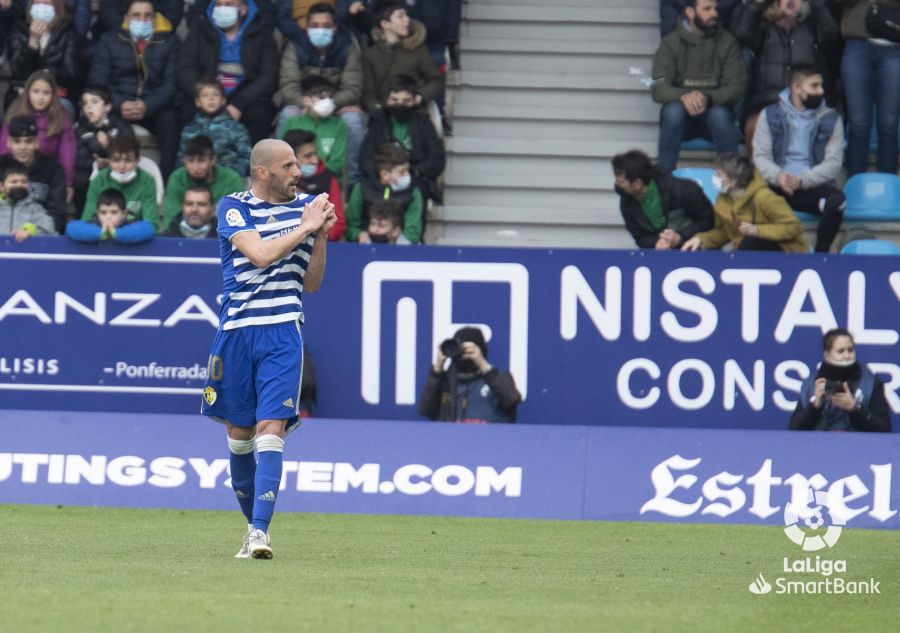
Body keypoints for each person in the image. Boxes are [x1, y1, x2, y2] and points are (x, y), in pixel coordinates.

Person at [201, 138, 337, 560]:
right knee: (239, 437)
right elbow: (259, 254)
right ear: (263, 172)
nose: (300, 171)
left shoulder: (309, 209)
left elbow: (310, 284)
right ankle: (250, 528)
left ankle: (260, 533)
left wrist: (322, 238)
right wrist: (306, 227)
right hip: (237, 332)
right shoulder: (233, 206)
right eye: (289, 165)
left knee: (270, 429)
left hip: (282, 331)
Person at [753, 64, 845, 252]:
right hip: (777, 186)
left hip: (811, 186)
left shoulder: (832, 118)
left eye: (821, 86)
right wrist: (780, 177)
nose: (821, 91)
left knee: (837, 201)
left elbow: (833, 164)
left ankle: (821, 255)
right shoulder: (770, 114)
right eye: (814, 86)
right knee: (754, 198)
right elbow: (760, 157)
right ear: (796, 88)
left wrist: (802, 180)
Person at [730, 0, 839, 154]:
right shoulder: (764, 27)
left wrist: (817, 4)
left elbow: (831, 34)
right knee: (755, 126)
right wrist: (757, 4)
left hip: (805, 104)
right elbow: (741, 33)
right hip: (766, 102)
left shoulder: (812, 26)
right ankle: (759, 177)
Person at [89, 0, 181, 179]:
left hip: (152, 106)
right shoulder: (109, 39)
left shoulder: (170, 42)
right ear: (126, 18)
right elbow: (98, 80)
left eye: (148, 16)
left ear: (155, 19)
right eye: (137, 15)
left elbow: (171, 84)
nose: (142, 20)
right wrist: (120, 103)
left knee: (170, 120)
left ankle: (166, 180)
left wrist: (147, 105)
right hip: (118, 106)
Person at [651, 0, 744, 172]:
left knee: (720, 115)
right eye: (707, 9)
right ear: (690, 12)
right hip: (682, 117)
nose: (714, 14)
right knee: (673, 111)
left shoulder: (728, 42)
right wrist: (684, 96)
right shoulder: (670, 43)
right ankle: (664, 180)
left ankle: (734, 178)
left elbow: (735, 88)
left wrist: (707, 98)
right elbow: (658, 87)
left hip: (714, 115)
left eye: (715, 8)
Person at [278, 2, 364, 183]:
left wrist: (331, 104)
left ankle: (351, 182)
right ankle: (281, 175)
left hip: (336, 106)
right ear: (306, 26)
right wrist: (306, 104)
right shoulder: (295, 46)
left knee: (354, 121)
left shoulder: (348, 46)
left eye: (326, 26)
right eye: (315, 26)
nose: (320, 30)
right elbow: (288, 87)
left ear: (334, 27)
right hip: (303, 105)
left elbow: (353, 88)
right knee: (287, 114)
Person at [177, 0, 279, 144]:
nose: (222, 8)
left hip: (246, 97)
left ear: (243, 9)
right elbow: (185, 67)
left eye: (229, 4)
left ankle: (252, 165)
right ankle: (194, 164)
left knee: (260, 115)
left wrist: (239, 103)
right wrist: (204, 95)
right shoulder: (200, 29)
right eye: (219, 4)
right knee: (186, 112)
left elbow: (269, 76)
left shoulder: (261, 31)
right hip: (207, 92)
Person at [682, 153, 808, 252]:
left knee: (750, 242)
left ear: (734, 180)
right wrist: (701, 239)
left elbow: (795, 227)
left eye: (719, 174)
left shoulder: (764, 197)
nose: (715, 177)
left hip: (784, 252)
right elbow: (724, 232)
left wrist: (757, 230)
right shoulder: (723, 198)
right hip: (744, 248)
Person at [359, 74, 445, 203]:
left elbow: (437, 158)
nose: (399, 105)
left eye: (406, 101)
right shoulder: (378, 121)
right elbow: (366, 158)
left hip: (414, 180)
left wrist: (414, 171)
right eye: (394, 100)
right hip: (381, 180)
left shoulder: (423, 123)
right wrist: (382, 175)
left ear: (414, 100)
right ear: (386, 99)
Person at [839, 0, 900, 176]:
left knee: (889, 125)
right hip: (858, 44)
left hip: (894, 45)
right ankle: (854, 188)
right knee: (858, 124)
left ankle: (889, 191)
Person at [790, 328, 892, 432]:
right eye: (841, 351)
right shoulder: (811, 384)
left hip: (858, 446)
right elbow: (794, 429)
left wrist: (855, 408)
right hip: (819, 445)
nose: (847, 355)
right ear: (827, 354)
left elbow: (884, 429)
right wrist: (815, 406)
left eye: (850, 350)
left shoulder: (871, 383)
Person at [611, 148, 714, 249]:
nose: (616, 185)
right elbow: (639, 237)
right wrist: (656, 242)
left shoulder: (684, 190)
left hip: (698, 251)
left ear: (637, 184)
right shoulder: (626, 203)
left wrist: (681, 236)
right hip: (661, 256)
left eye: (621, 182)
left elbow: (709, 221)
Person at [418, 326, 522, 423]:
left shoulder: (496, 379)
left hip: (489, 439)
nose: (464, 353)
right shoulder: (443, 382)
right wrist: (437, 370)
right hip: (449, 440)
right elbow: (425, 410)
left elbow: (512, 399)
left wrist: (483, 364)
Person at [1, 70, 76, 198]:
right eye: (36, 92)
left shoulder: (60, 115)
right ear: (28, 92)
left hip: (47, 174)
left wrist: (67, 182)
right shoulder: (16, 110)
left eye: (46, 93)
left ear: (53, 95)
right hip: (14, 173)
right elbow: (4, 146)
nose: (40, 97)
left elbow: (67, 152)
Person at [360, 1, 443, 113]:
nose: (407, 19)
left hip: (414, 112)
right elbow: (368, 92)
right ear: (385, 24)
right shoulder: (371, 55)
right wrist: (377, 109)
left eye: (407, 15)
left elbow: (435, 80)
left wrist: (421, 96)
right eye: (401, 16)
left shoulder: (418, 49)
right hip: (384, 115)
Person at [4, 0, 84, 112]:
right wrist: (33, 43)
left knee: (63, 107)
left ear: (56, 7)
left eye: (46, 4)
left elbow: (71, 73)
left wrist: (46, 73)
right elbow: (17, 71)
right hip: (23, 90)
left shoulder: (68, 31)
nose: (41, 7)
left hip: (56, 92)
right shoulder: (19, 28)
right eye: (37, 3)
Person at [163, 135, 245, 231]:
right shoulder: (177, 178)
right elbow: (170, 220)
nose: (195, 167)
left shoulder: (232, 180)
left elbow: (237, 222)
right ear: (184, 160)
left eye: (201, 160)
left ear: (213, 160)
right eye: (190, 161)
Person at [345, 143, 423, 244]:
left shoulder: (413, 193)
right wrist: (359, 234)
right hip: (365, 246)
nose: (407, 175)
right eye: (402, 172)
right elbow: (351, 225)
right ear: (385, 174)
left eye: (407, 171)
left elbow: (413, 231)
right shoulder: (361, 189)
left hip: (401, 247)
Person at [74, 86, 134, 217]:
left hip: (117, 174)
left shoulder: (121, 127)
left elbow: (130, 154)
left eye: (94, 102)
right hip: (89, 177)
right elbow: (78, 158)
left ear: (107, 107)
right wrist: (95, 164)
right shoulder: (81, 128)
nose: (89, 107)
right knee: (80, 179)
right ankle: (84, 218)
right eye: (85, 103)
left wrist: (108, 147)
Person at [3, 114, 67, 233]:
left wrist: (32, 232)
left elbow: (57, 214)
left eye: (29, 141)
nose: (23, 147)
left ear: (37, 142)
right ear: (8, 142)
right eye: (17, 141)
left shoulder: (53, 169)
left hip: (39, 239)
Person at [277, 75, 348, 181]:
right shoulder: (292, 122)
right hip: (295, 179)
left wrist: (318, 173)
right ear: (306, 100)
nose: (327, 102)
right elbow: (281, 156)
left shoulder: (339, 125)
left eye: (330, 97)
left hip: (327, 181)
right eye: (322, 97)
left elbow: (338, 162)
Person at [177, 78, 252, 177]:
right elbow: (181, 160)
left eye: (215, 94)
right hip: (197, 179)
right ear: (198, 102)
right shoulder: (189, 130)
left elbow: (247, 157)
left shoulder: (236, 128)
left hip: (227, 181)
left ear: (223, 100)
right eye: (205, 95)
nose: (211, 99)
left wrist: (233, 174)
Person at [284, 129, 346, 241]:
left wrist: (315, 234)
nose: (315, 160)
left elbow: (338, 224)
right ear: (291, 159)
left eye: (315, 154)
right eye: (308, 156)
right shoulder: (279, 184)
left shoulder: (328, 180)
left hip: (322, 244)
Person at [82, 133, 158, 225]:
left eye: (128, 160)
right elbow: (86, 220)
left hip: (135, 235)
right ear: (109, 161)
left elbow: (151, 225)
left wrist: (122, 234)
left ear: (137, 161)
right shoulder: (99, 180)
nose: (122, 166)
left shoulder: (147, 181)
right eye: (116, 160)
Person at [65, 187, 155, 243]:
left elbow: (149, 229)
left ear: (124, 214)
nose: (108, 217)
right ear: (97, 213)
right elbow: (71, 227)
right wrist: (100, 233)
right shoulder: (93, 224)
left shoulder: (130, 224)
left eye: (114, 212)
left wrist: (116, 233)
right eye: (103, 212)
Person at [0, 155, 56, 241]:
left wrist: (30, 231)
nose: (19, 185)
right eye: (14, 182)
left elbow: (49, 229)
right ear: (2, 186)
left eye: (24, 182)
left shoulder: (35, 209)